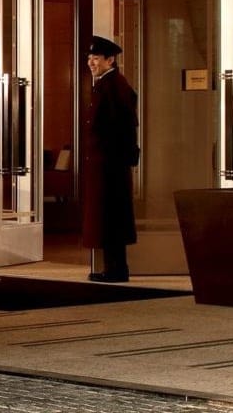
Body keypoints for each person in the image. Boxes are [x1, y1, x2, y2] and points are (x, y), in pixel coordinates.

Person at [80, 35, 139, 282]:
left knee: (111, 216)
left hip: (110, 164)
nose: (91, 63)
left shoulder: (113, 85)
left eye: (96, 58)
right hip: (105, 162)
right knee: (108, 216)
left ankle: (115, 270)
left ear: (110, 60)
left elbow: (124, 125)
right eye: (89, 58)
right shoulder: (107, 83)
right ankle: (114, 268)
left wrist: (120, 157)